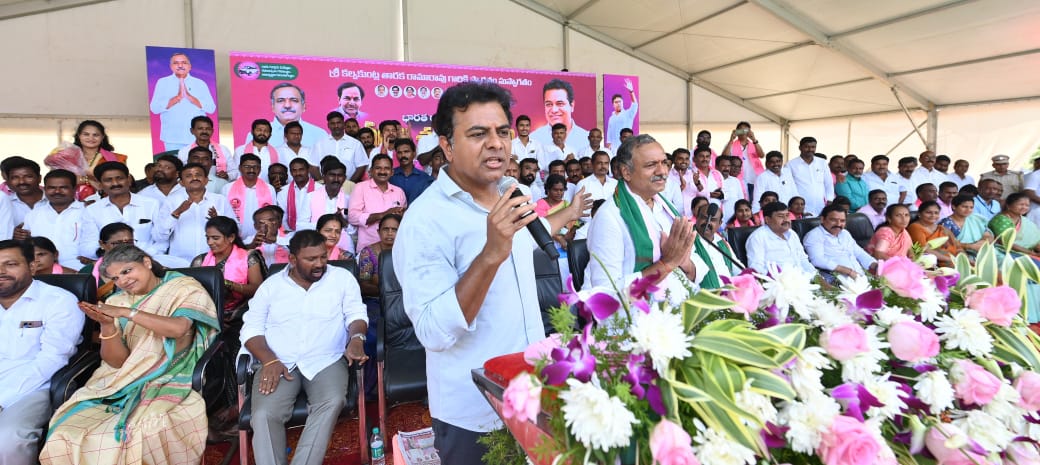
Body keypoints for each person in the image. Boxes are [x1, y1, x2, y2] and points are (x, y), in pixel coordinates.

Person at [394, 82, 589, 463]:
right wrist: (489, 256)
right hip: (475, 414)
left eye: (503, 132)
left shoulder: (511, 193)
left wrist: (564, 217)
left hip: (532, 390)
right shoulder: (425, 221)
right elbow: (433, 331)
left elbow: (526, 243)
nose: (496, 143)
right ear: (447, 146)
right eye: (478, 134)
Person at [41, 245, 219, 465]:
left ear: (146, 262)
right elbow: (117, 362)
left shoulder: (184, 287)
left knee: (144, 430)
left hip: (169, 375)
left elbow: (178, 329)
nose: (123, 281)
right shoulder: (116, 302)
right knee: (65, 432)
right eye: (115, 278)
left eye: (127, 271)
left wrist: (128, 313)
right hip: (119, 380)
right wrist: (107, 326)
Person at [240, 230, 368, 465]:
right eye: (311, 259)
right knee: (263, 415)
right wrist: (268, 360)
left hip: (326, 359)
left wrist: (357, 338)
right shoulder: (271, 287)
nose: (320, 264)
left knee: (332, 400)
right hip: (278, 361)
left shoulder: (341, 279)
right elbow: (250, 329)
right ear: (292, 259)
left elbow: (356, 314)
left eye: (323, 256)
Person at [0, 240, 83, 464]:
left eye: (10, 264)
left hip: (34, 386)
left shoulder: (58, 301)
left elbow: (52, 359)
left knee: (8, 440)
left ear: (32, 266)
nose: (1, 272)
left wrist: (3, 397)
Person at [586, 133, 695, 295]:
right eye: (651, 165)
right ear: (626, 172)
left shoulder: (666, 208)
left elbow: (692, 271)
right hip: (639, 316)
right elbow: (606, 293)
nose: (662, 171)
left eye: (664, 163)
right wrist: (666, 264)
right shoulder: (609, 217)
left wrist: (685, 264)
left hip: (682, 308)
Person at [191, 216, 264, 325]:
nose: (210, 242)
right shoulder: (200, 260)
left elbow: (257, 289)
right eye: (208, 238)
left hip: (240, 314)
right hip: (206, 313)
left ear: (231, 237)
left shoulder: (248, 257)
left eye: (215, 238)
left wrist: (226, 283)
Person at [81, 162, 163, 258]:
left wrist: (143, 256)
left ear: (129, 180)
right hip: (110, 263)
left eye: (119, 178)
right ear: (100, 184)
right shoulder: (92, 210)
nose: (115, 183)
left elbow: (162, 240)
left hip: (149, 260)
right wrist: (114, 256)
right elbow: (88, 245)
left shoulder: (152, 204)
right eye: (108, 180)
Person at [154, 162, 228, 262]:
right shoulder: (171, 201)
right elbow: (159, 236)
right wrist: (177, 213)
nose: (194, 178)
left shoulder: (220, 200)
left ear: (206, 180)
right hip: (180, 262)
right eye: (189, 176)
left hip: (215, 260)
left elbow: (234, 231)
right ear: (181, 182)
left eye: (198, 175)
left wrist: (218, 220)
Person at [17, 169, 84, 269]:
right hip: (41, 273)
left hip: (80, 271)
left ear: (75, 188)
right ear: (45, 189)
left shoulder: (87, 212)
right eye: (51, 188)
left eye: (63, 187)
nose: (57, 191)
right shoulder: (33, 215)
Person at [149, 52, 216, 151]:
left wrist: (191, 98)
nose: (180, 65)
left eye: (184, 63)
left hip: (197, 138)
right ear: (171, 66)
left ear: (190, 66)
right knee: (174, 165)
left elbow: (211, 108)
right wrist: (176, 99)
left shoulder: (200, 83)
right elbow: (154, 108)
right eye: (176, 63)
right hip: (172, 138)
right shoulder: (163, 82)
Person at [348, 154, 407, 251]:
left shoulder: (399, 192)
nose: (382, 172)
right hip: (367, 249)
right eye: (378, 168)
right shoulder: (360, 188)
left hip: (394, 249)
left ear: (392, 172)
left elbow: (404, 220)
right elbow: (353, 217)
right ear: (371, 171)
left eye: (386, 168)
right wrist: (383, 215)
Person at [804, 204, 877, 281]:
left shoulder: (845, 233)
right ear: (822, 219)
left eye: (842, 221)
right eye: (833, 220)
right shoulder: (814, 235)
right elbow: (817, 260)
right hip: (837, 282)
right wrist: (849, 272)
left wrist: (876, 265)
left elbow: (859, 253)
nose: (838, 224)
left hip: (860, 277)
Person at [300, 158, 356, 255]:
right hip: (315, 247)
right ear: (324, 177)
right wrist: (324, 226)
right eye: (332, 175)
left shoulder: (349, 199)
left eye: (340, 176)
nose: (336, 179)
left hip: (343, 248)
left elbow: (354, 232)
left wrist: (344, 223)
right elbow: (300, 226)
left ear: (344, 178)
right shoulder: (310, 197)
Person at [746, 201, 815, 275]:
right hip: (778, 282)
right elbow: (756, 268)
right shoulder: (758, 237)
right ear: (767, 220)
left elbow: (803, 260)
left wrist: (816, 276)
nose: (786, 220)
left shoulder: (792, 234)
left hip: (803, 279)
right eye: (780, 216)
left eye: (787, 215)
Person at [222, 154, 277, 240]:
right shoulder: (227, 188)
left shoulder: (270, 189)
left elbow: (273, 216)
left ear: (260, 169)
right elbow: (224, 216)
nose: (251, 170)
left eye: (255, 167)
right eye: (247, 166)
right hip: (235, 239)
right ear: (240, 168)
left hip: (263, 239)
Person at [258, 83, 329, 148]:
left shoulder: (319, 134)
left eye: (294, 100)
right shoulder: (258, 133)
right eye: (280, 100)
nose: (287, 105)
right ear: (273, 106)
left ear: (303, 106)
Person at [691, 203, 742, 288]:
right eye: (704, 218)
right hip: (704, 297)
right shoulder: (688, 239)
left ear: (720, 223)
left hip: (730, 294)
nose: (708, 223)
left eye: (713, 220)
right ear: (697, 218)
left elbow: (738, 269)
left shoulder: (722, 242)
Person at [530, 79, 590, 150]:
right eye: (549, 104)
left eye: (560, 104)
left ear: (572, 105)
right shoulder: (534, 138)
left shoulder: (586, 138)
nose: (554, 110)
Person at [311, 111, 368, 181]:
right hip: (324, 187)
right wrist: (322, 183)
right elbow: (313, 166)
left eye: (338, 123)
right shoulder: (319, 144)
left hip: (349, 187)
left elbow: (361, 166)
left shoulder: (355, 144)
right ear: (328, 125)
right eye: (333, 123)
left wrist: (350, 184)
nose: (336, 126)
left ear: (343, 124)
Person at [178, 116, 237, 182]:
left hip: (218, 186)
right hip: (193, 186)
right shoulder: (184, 151)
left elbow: (234, 171)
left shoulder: (223, 149)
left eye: (208, 129)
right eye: (200, 128)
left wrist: (227, 176)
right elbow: (180, 173)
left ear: (212, 131)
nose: (204, 131)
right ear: (192, 131)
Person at [785, 137, 833, 216]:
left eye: (813, 147)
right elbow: (790, 187)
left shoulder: (822, 162)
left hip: (822, 206)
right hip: (801, 208)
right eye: (807, 147)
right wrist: (799, 208)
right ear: (800, 148)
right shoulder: (790, 165)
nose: (810, 149)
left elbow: (828, 183)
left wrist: (829, 199)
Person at [357, 214, 400, 300]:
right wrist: (391, 292)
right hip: (376, 300)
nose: (390, 233)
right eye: (386, 229)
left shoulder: (407, 251)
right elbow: (364, 285)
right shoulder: (367, 253)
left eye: (394, 230)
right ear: (378, 231)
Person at [720, 121, 765, 196]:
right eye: (741, 130)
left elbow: (762, 155)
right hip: (738, 179)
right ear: (736, 131)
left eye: (746, 130)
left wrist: (754, 139)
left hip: (754, 179)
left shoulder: (754, 144)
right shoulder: (731, 144)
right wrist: (731, 139)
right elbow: (724, 157)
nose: (743, 132)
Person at [989, 193, 1040, 257]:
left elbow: (1035, 240)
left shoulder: (1026, 221)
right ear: (1008, 206)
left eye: (1027, 205)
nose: (1024, 207)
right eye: (1021, 204)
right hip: (1003, 253)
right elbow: (1006, 243)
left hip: (1026, 253)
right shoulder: (1000, 219)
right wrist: (1033, 254)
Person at [389, 138, 434, 204]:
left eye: (406, 152)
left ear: (414, 153)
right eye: (399, 153)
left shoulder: (424, 178)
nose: (403, 155)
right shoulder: (390, 176)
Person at [277, 157, 316, 232]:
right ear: (290, 172)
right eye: (294, 170)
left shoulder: (319, 189)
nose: (298, 173)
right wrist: (288, 232)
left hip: (314, 233)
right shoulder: (283, 191)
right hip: (289, 233)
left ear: (308, 170)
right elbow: (283, 216)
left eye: (301, 170)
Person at [3, 157, 44, 227]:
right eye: (15, 178)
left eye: (28, 177)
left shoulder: (57, 200)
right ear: (8, 181)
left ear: (39, 178)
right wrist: (10, 233)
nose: (22, 182)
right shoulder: (4, 204)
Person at [605, 79, 638, 150]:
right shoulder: (611, 118)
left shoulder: (628, 114)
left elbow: (635, 104)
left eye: (620, 101)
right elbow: (609, 136)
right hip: (613, 150)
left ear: (623, 102)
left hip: (626, 148)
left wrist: (631, 92)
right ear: (613, 104)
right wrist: (608, 148)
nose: (618, 104)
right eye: (616, 102)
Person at [716, 155, 746, 223]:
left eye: (728, 166)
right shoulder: (711, 180)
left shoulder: (735, 181)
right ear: (716, 167)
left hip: (732, 221)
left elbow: (741, 202)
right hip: (715, 220)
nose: (726, 168)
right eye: (723, 166)